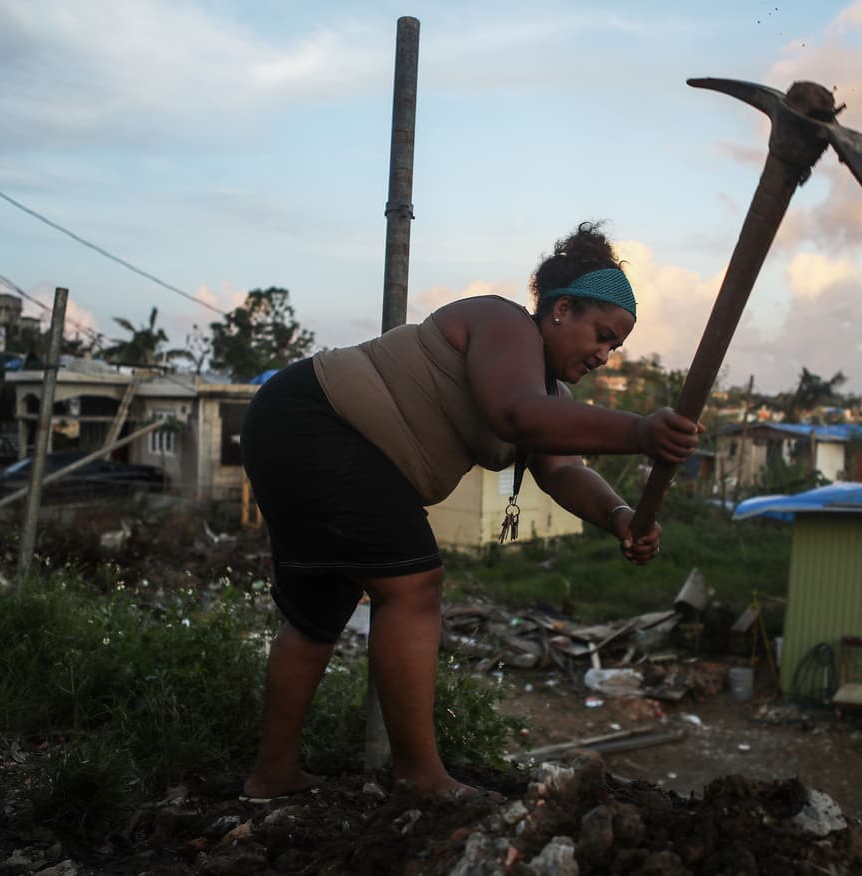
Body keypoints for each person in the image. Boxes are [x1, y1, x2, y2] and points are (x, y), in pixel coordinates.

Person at [240, 222, 701, 800]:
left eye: (615, 348)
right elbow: (515, 414)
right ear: (562, 309)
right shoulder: (505, 324)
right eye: (602, 336)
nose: (604, 356)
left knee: (318, 612)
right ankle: (419, 774)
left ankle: (273, 775)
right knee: (413, 585)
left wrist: (619, 515)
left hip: (298, 428)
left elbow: (563, 471)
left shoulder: (551, 397)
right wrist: (639, 432)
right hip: (318, 421)